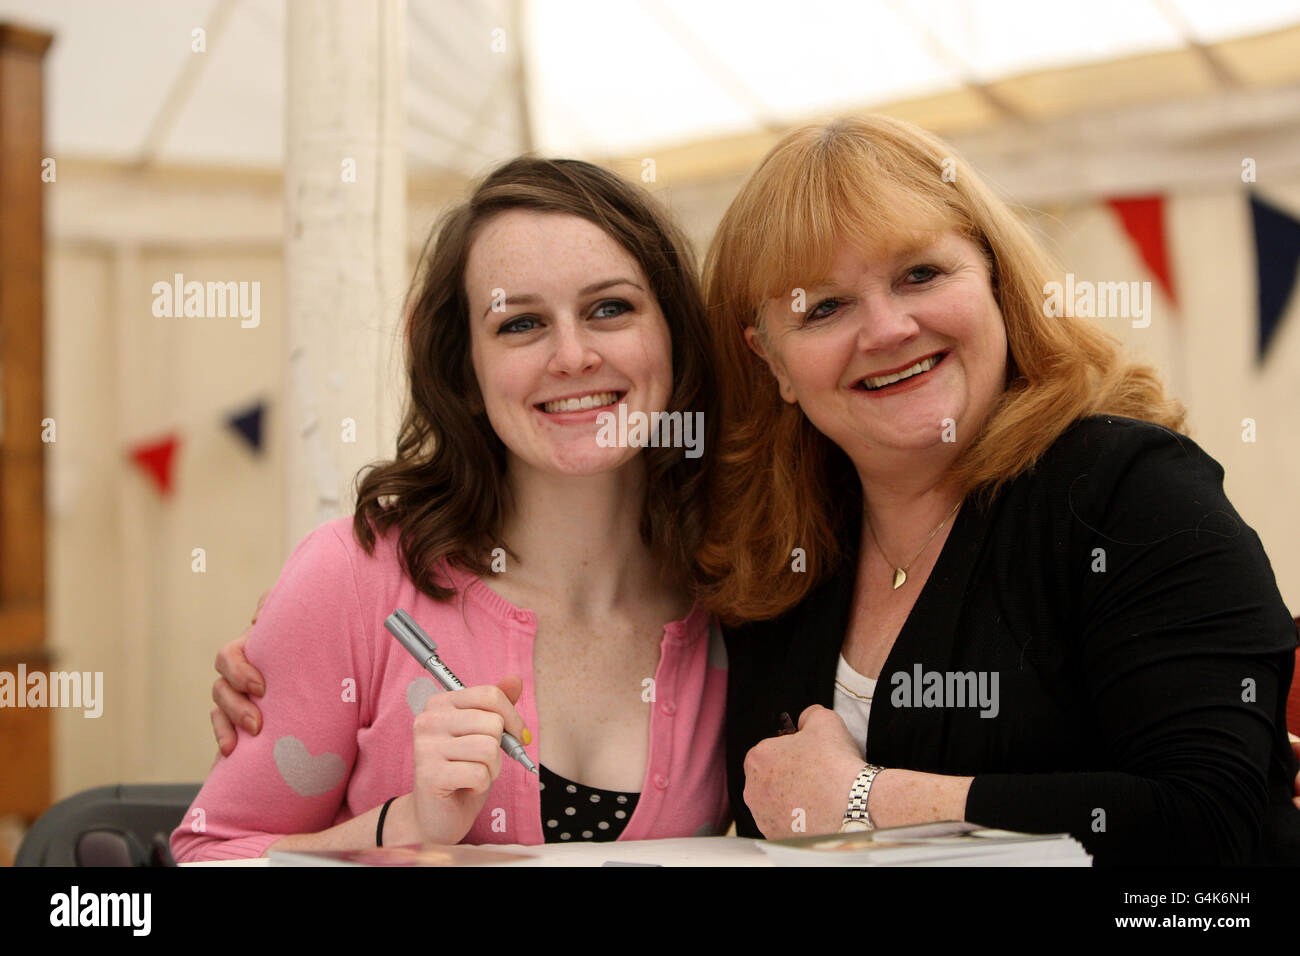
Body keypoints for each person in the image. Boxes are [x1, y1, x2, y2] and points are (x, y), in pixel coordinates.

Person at [693, 114, 1300, 865]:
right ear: (773, 362)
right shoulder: (776, 563)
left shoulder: (1130, 494)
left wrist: (868, 801)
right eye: (823, 308)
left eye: (921, 274)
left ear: (997, 282)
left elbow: (1213, 825)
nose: (887, 329)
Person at [170, 157, 728, 862]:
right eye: (520, 323)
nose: (573, 355)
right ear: (463, 372)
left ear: (674, 334)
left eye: (609, 309)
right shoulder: (356, 576)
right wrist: (398, 826)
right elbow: (209, 854)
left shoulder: (740, 586)